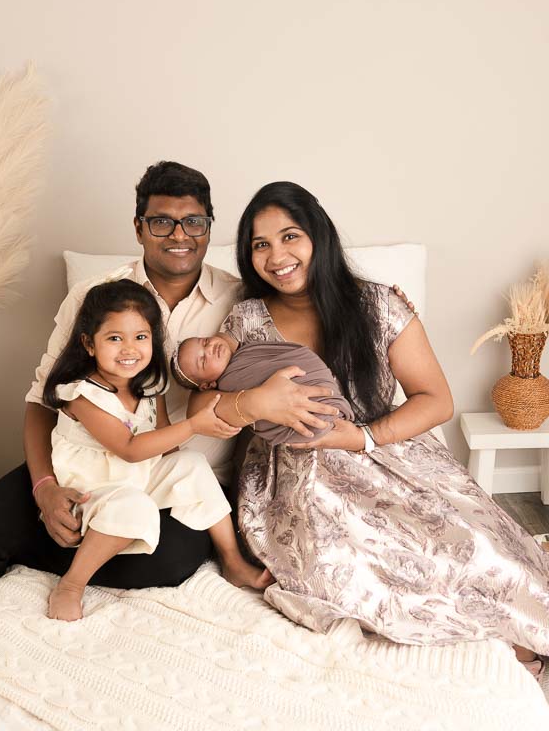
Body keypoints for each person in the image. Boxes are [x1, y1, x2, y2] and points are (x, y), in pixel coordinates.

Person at [0, 161, 337, 639]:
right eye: (162, 221)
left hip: (171, 472)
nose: (179, 235)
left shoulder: (242, 302)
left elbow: (301, 324)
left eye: (194, 222)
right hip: (88, 461)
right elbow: (42, 401)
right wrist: (45, 489)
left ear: (209, 228)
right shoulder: (95, 297)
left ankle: (28, 550)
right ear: (139, 228)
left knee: (168, 561)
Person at [188, 181, 549, 676]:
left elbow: (436, 400)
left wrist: (360, 437)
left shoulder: (379, 304)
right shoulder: (247, 319)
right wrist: (253, 402)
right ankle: (495, 641)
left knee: (479, 547)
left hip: (385, 450)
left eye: (290, 237)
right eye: (260, 245)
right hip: (297, 478)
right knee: (358, 566)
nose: (277, 257)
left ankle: (522, 629)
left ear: (318, 236)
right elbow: (200, 403)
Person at [42, 278, 270, 620]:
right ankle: (72, 584)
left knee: (192, 463)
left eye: (140, 337)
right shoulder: (82, 395)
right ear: (89, 344)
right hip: (92, 490)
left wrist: (205, 422)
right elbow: (130, 448)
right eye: (114, 338)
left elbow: (163, 442)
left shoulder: (150, 385)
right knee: (135, 507)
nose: (129, 349)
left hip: (137, 476)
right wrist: (194, 425)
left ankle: (232, 560)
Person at [171, 334, 354, 444]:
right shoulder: (229, 383)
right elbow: (197, 410)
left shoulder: (246, 349)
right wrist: (259, 401)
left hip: (332, 402)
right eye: (203, 360)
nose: (210, 348)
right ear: (207, 385)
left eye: (204, 342)